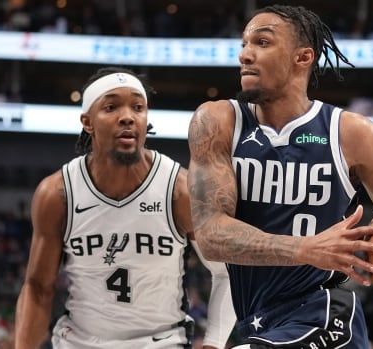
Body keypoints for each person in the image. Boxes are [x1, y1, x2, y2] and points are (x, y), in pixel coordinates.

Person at [187, 5, 373, 349]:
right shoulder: (217, 122)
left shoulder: (353, 134)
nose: (245, 54)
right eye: (244, 43)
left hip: (326, 317)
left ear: (303, 57)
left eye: (262, 42)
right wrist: (306, 248)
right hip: (258, 322)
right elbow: (210, 236)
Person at [15, 67, 235, 349]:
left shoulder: (179, 189)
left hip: (161, 343)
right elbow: (37, 289)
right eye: (111, 107)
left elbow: (226, 272)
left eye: (138, 107)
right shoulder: (57, 193)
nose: (128, 116)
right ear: (88, 122)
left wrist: (213, 344)